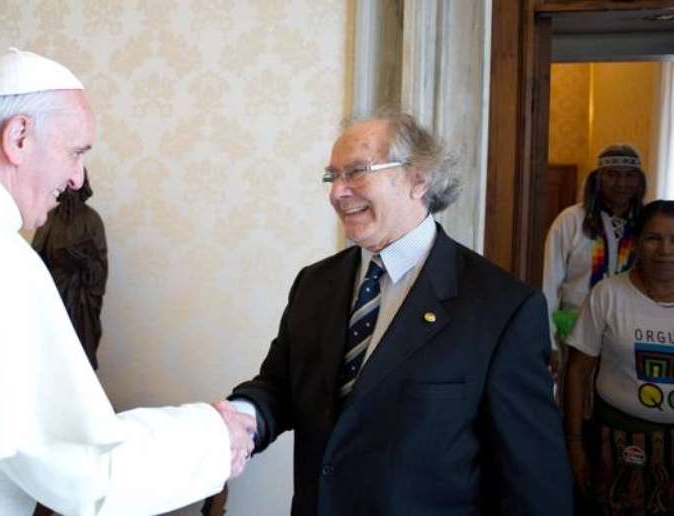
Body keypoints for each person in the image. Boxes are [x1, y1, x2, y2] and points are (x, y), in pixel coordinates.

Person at [0, 49, 254, 516]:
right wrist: (211, 435)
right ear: (19, 136)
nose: (76, 178)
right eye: (76, 152)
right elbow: (84, 474)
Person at [230, 111, 573, 515]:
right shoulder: (314, 284)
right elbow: (279, 387)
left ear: (419, 179)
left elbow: (534, 483)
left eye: (356, 172)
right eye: (332, 176)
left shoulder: (503, 309)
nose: (337, 192)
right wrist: (238, 419)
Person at [564, 200, 674, 515]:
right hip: (616, 444)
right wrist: (574, 443)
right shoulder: (608, 294)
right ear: (636, 242)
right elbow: (577, 372)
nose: (665, 250)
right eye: (653, 238)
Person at [543, 145, 646, 383]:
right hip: (575, 330)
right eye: (612, 174)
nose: (621, 183)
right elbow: (549, 284)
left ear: (640, 181)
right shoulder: (571, 220)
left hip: (628, 332)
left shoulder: (646, 222)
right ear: (598, 178)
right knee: (576, 400)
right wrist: (549, 341)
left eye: (629, 175)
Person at [32, 170, 108, 370]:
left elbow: (100, 268)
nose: (71, 191)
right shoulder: (49, 218)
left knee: (80, 350)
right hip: (53, 294)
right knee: (51, 350)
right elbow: (34, 260)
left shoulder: (92, 220)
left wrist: (84, 261)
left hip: (81, 300)